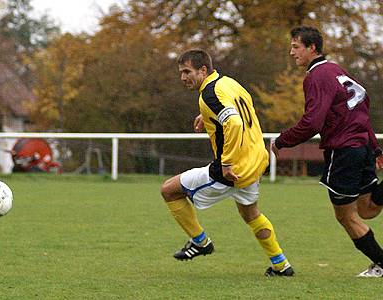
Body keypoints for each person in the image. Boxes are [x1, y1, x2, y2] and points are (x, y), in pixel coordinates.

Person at [161, 49, 294, 276]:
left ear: (203, 70)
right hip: (255, 162)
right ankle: (281, 265)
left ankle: (200, 243)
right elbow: (243, 106)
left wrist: (226, 163)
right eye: (181, 72)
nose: (183, 77)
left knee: (169, 191)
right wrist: (208, 116)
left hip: (233, 169)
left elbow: (233, 122)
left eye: (187, 72)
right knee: (251, 214)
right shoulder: (228, 83)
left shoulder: (209, 95)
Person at [272, 26, 383, 277]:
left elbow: (312, 123)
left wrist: (281, 141)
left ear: (312, 48)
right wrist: (375, 148)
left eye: (295, 46)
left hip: (344, 152)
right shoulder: (336, 70)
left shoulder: (316, 76)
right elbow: (362, 109)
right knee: (367, 209)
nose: (291, 52)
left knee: (345, 216)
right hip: (362, 147)